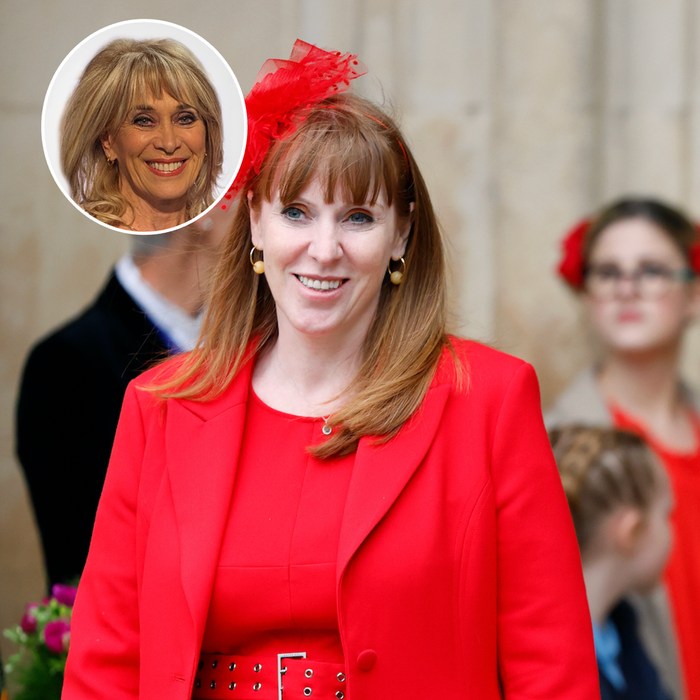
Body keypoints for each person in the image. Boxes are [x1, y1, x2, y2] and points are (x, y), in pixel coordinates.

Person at [63, 41, 596, 699]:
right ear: (254, 220)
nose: (324, 249)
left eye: (358, 217)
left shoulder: (486, 397)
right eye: (296, 212)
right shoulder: (159, 405)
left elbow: (551, 667)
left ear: (401, 233)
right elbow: (106, 662)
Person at [545, 197, 700, 700]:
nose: (626, 287)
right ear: (586, 293)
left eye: (651, 271)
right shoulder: (556, 443)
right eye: (608, 272)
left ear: (694, 295)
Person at [16, 214, 225, 590]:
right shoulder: (66, 365)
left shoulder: (248, 348)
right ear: (203, 215)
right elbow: (83, 558)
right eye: (243, 190)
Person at [551, 426, 675, 700]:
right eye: (666, 514)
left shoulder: (621, 629)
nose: (672, 531)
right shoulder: (554, 663)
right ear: (631, 531)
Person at [60, 37, 223, 231]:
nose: (169, 143)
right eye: (144, 121)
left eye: (185, 119)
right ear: (108, 140)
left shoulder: (229, 240)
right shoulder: (82, 237)